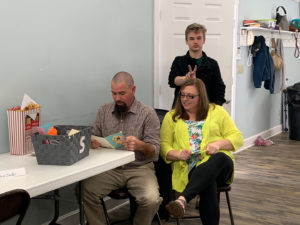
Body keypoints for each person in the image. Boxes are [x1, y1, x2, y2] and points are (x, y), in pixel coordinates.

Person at [82, 71, 162, 225]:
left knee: (151, 199)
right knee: (84, 191)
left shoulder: (148, 113)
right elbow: (93, 137)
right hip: (110, 169)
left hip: (139, 168)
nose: (117, 98)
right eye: (113, 93)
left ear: (133, 90)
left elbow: (155, 151)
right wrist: (92, 143)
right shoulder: (104, 110)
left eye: (122, 93)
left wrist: (141, 145)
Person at [160, 78, 243, 225]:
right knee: (206, 182)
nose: (185, 99)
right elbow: (164, 146)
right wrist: (178, 154)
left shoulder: (217, 111)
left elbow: (237, 137)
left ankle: (182, 199)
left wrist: (218, 144)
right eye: (182, 95)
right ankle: (183, 201)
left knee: (219, 158)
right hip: (190, 168)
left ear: (201, 96)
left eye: (190, 96)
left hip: (220, 167)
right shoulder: (171, 117)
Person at [168, 23, 226, 107]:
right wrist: (186, 78)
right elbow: (172, 81)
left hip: (206, 110)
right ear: (186, 41)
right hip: (182, 109)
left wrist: (215, 109)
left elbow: (219, 89)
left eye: (199, 38)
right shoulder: (179, 61)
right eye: (192, 39)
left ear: (204, 40)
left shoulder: (212, 64)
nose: (195, 41)